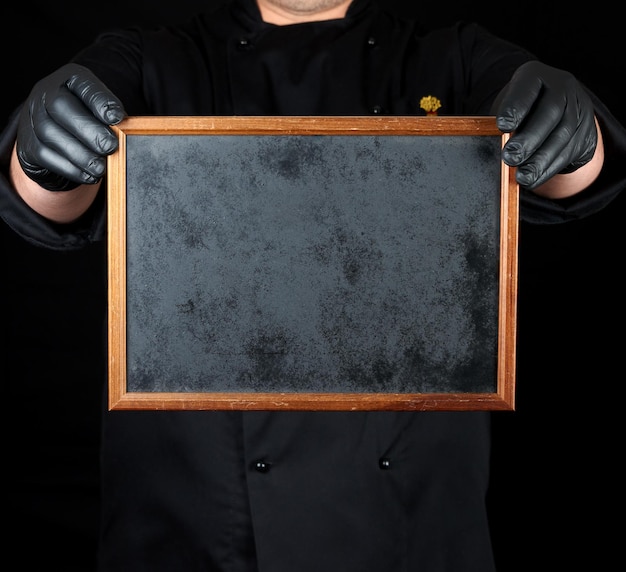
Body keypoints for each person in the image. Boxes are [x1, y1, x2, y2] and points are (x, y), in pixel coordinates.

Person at [1, 0, 624, 570]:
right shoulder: (148, 59)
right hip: (193, 528)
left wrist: (571, 137)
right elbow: (47, 205)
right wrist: (46, 155)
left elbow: (572, 181)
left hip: (409, 529)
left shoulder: (453, 58)